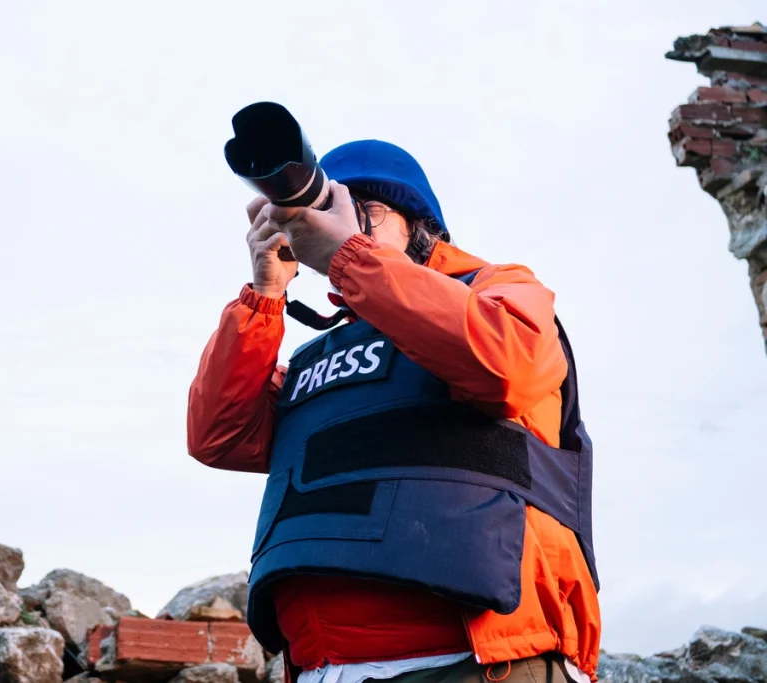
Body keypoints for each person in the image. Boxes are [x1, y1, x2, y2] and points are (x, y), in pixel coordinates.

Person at [186, 139, 600, 683]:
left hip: (479, 661)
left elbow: (508, 366)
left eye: (367, 213)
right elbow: (220, 435)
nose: (343, 225)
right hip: (324, 668)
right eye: (327, 211)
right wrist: (265, 293)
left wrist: (350, 258)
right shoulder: (320, 358)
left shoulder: (496, 290)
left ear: (418, 225)